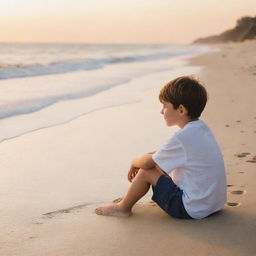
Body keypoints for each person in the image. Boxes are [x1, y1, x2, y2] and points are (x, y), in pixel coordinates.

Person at [95, 76, 227, 219]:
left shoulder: (181, 137)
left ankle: (122, 208)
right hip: (213, 205)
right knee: (156, 163)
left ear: (181, 110)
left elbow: (147, 163)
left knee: (147, 171)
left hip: (190, 209)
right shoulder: (201, 129)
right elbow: (163, 155)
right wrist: (149, 157)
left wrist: (134, 162)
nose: (161, 111)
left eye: (165, 106)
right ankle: (130, 196)